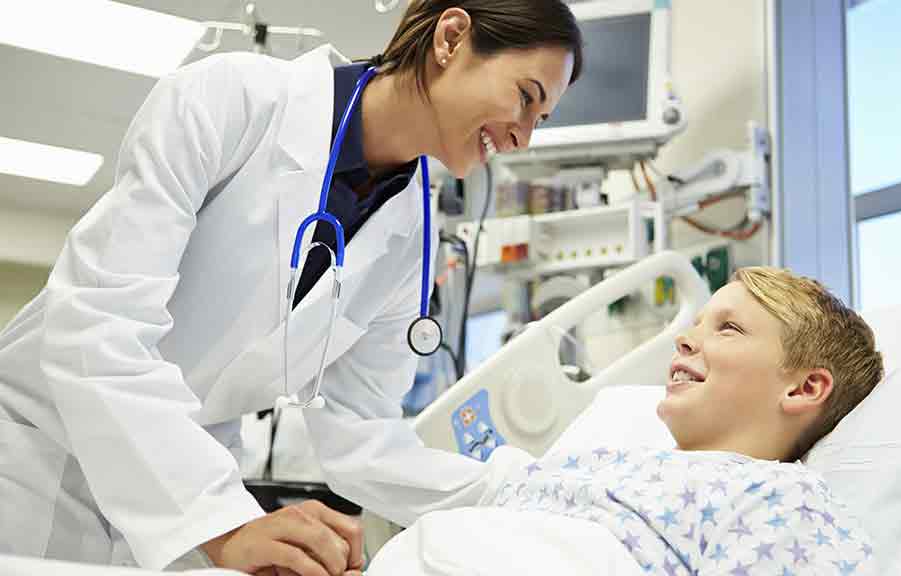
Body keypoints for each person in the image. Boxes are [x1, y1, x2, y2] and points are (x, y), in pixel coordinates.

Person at [0, 1, 581, 574]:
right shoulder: (229, 101)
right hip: (35, 458)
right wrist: (225, 523)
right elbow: (96, 330)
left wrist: (524, 490)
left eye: (541, 120)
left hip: (185, 492)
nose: (522, 139)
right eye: (526, 98)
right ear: (451, 38)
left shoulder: (411, 235)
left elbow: (362, 432)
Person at [372, 267, 885, 575]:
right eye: (696, 321)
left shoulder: (780, 499)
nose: (685, 337)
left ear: (804, 388)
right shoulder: (595, 461)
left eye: (728, 329)